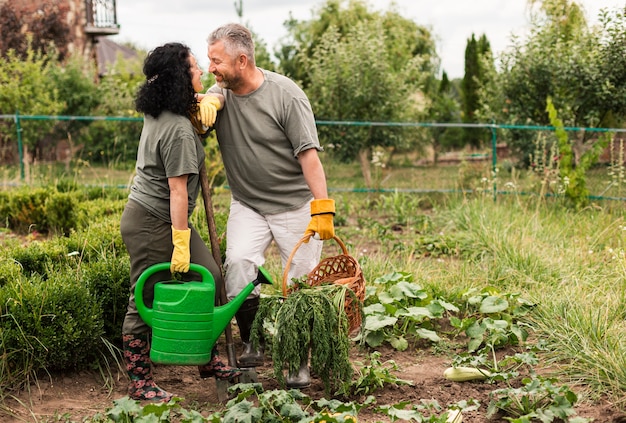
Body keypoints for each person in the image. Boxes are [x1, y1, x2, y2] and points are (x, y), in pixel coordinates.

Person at [203, 23, 336, 388]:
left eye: (217, 61)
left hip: (295, 204)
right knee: (239, 267)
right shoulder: (221, 96)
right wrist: (206, 105)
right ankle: (253, 342)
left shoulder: (286, 96)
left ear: (242, 60)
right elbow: (204, 111)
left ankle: (298, 360)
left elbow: (308, 155)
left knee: (300, 284)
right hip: (248, 204)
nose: (210, 68)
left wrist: (322, 206)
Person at [120, 42, 241, 402]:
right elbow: (177, 192)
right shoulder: (177, 131)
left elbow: (194, 112)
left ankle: (206, 358)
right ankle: (140, 381)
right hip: (153, 221)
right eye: (194, 68)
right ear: (180, 78)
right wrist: (180, 242)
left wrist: (205, 104)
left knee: (213, 275)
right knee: (145, 292)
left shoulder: (163, 113)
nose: (201, 71)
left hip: (158, 216)